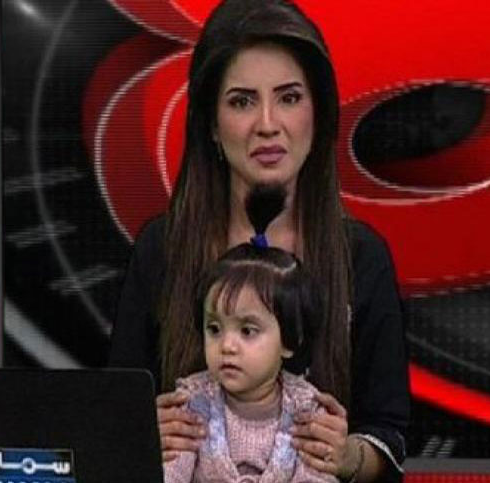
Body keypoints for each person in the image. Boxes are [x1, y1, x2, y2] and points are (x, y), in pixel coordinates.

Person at [109, 1, 410, 481]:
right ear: (211, 124)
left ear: (318, 113)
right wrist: (139, 434)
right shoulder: (162, 249)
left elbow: (388, 438)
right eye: (242, 101)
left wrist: (348, 455)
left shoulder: (360, 257)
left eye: (289, 98)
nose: (267, 124)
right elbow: (111, 423)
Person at [165, 184, 338, 483]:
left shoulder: (308, 411)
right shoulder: (192, 404)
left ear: (290, 340)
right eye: (214, 329)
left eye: (247, 330)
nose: (227, 346)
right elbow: (170, 475)